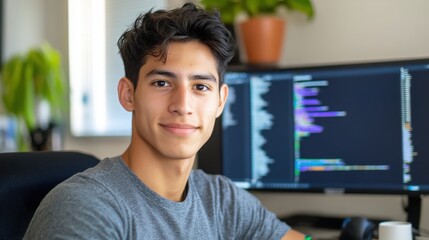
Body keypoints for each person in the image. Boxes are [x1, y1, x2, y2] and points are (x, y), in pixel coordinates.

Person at [24, 3, 307, 239]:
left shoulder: (221, 199)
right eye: (162, 83)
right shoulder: (85, 206)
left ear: (220, 101)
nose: (182, 105)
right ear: (128, 94)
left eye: (200, 87)